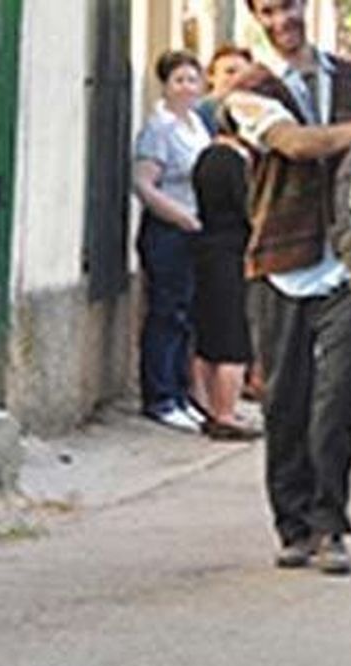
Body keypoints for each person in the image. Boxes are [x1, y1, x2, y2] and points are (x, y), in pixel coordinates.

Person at [225, 0, 351, 574]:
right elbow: (295, 145)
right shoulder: (248, 90)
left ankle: (329, 525)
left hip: (348, 260)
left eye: (287, 6)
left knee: (340, 398)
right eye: (267, 11)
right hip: (279, 260)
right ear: (256, 19)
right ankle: (291, 525)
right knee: (285, 401)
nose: (281, 20)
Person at [132, 50, 211, 434]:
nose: (186, 87)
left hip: (194, 230)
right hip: (168, 230)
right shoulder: (159, 129)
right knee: (166, 312)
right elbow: (144, 184)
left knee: (186, 314)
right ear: (164, 85)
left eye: (192, 79)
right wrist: (180, 217)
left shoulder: (197, 124)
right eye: (178, 79)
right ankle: (160, 397)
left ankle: (181, 395)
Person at [190, 108, 261, 441]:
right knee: (233, 339)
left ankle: (207, 407)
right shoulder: (231, 160)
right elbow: (247, 208)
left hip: (206, 247)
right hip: (231, 251)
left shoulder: (205, 156)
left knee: (208, 335)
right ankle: (225, 413)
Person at [197, 44, 255, 135]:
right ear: (210, 76)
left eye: (245, 74)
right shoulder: (197, 114)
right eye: (230, 71)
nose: (238, 79)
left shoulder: (255, 111)